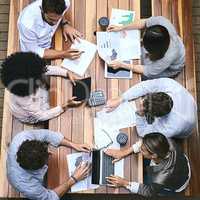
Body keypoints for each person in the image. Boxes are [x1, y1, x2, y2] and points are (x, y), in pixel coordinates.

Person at [7, 129, 92, 200]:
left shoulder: (22, 137)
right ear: (39, 168)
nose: (50, 153)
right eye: (47, 156)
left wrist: (74, 144)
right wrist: (73, 179)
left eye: (46, 149)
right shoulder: (28, 186)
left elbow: (47, 135)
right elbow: (49, 197)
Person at [1, 52, 81, 124]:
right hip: (32, 115)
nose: (42, 73)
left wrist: (66, 73)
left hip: (37, 100)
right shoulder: (24, 100)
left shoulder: (29, 71)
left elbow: (45, 69)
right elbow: (41, 116)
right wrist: (63, 106)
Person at [105, 133, 191, 197]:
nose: (140, 149)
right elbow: (144, 143)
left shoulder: (161, 177)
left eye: (142, 150)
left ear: (153, 155)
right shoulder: (166, 141)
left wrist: (125, 183)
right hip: (181, 163)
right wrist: (123, 153)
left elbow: (149, 191)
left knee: (144, 182)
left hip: (174, 184)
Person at [106, 78, 197, 138]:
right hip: (190, 103)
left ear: (156, 116)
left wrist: (139, 115)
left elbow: (143, 133)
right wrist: (120, 99)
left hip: (187, 127)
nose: (140, 103)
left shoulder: (172, 126)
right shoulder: (169, 84)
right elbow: (144, 86)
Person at [107, 16, 185, 79]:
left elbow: (147, 71)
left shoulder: (166, 58)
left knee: (142, 76)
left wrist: (122, 65)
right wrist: (122, 27)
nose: (141, 41)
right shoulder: (162, 22)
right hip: (163, 50)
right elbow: (144, 22)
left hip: (170, 68)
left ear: (152, 50)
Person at [18, 0, 83, 60]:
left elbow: (62, 14)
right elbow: (34, 51)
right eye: (51, 19)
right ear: (41, 9)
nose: (55, 23)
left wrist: (64, 23)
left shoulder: (66, 2)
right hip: (34, 51)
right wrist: (63, 54)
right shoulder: (27, 25)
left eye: (58, 19)